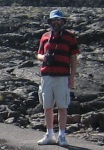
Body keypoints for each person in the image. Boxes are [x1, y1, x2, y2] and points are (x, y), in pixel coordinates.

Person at [35, 9, 81, 146]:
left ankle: (62, 135)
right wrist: (44, 57)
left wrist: (72, 78)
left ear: (63, 21)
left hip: (62, 77)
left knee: (62, 106)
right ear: (50, 22)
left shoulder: (70, 36)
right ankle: (49, 134)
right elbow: (38, 54)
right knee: (47, 106)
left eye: (58, 20)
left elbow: (73, 58)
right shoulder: (45, 36)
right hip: (47, 76)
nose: (56, 22)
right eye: (54, 20)